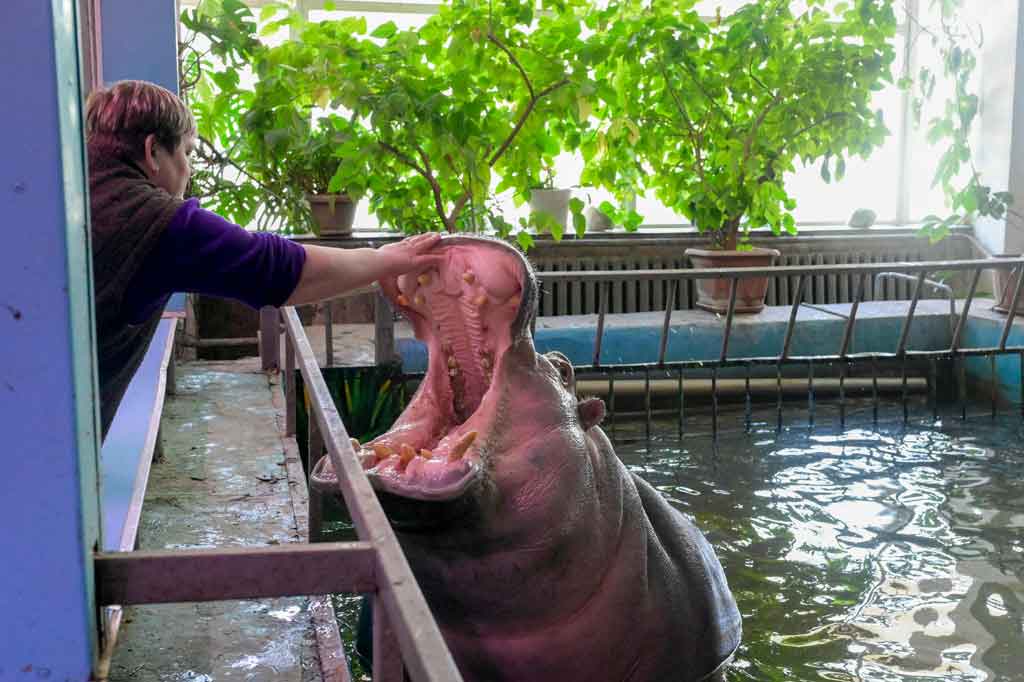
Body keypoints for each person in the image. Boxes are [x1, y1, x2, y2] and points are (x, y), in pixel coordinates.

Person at [86, 80, 441, 440]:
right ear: (152, 152)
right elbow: (279, 271)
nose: (189, 169)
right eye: (188, 153)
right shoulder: (152, 221)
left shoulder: (72, 189)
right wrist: (386, 260)